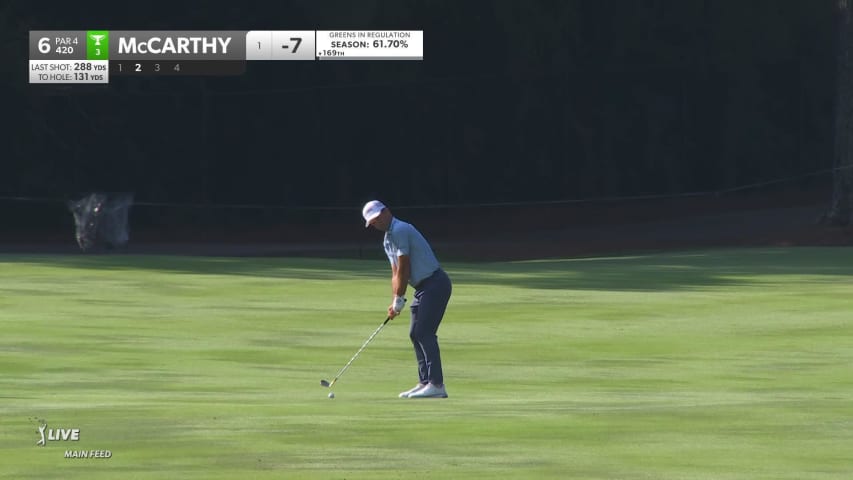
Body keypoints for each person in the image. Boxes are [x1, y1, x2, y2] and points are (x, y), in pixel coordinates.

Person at [362, 200, 452, 399]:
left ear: (386, 212)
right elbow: (395, 272)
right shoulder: (387, 239)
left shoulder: (401, 229)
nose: (376, 224)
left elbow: (404, 266)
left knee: (424, 332)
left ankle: (437, 384)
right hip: (422, 288)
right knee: (414, 333)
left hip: (435, 284)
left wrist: (401, 297)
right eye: (372, 223)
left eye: (377, 219)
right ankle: (425, 382)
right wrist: (395, 299)